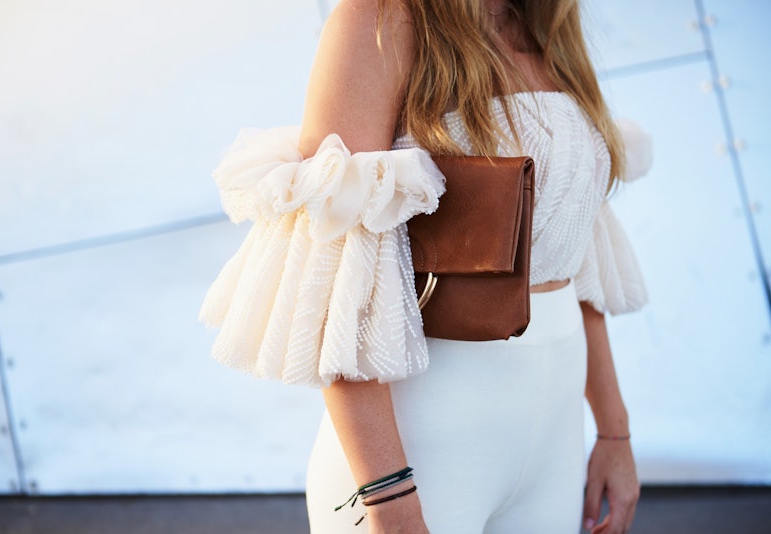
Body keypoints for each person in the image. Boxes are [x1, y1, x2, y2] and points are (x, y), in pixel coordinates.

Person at [200, 0, 650, 533]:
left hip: (554, 444)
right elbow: (338, 279)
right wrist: (388, 499)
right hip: (420, 450)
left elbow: (577, 259)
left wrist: (614, 434)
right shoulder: (382, 17)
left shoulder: (548, 22)